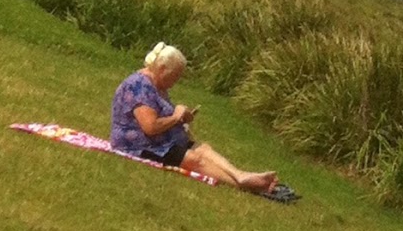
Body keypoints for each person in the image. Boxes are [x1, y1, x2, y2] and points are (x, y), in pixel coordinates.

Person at [111, 43, 290, 196]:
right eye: (175, 76)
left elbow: (162, 118)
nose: (176, 81)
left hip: (163, 141)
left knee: (204, 149)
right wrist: (176, 117)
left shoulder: (158, 85)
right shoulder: (138, 87)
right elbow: (149, 127)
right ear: (162, 68)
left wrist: (182, 118)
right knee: (194, 159)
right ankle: (247, 185)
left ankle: (241, 175)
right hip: (142, 146)